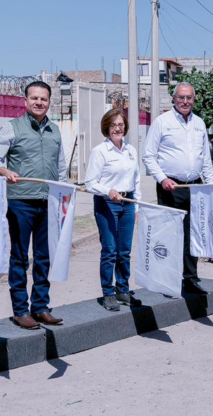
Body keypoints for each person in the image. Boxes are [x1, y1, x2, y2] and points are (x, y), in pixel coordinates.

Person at [0, 81, 67, 330]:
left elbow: (61, 168)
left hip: (49, 202)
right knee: (20, 257)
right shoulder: (11, 128)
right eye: (34, 98)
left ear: (49, 102)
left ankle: (41, 306)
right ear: (25, 101)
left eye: (43, 99)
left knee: (44, 257)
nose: (39, 102)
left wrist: (64, 195)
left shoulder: (55, 130)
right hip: (20, 201)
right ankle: (21, 310)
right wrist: (4, 171)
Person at [142, 82, 213, 295]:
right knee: (170, 236)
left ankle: (190, 279)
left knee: (194, 235)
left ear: (194, 99)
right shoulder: (161, 122)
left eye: (189, 97)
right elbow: (148, 155)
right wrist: (162, 179)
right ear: (174, 98)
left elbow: (206, 158)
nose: (185, 101)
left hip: (195, 187)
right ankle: (167, 280)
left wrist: (210, 187)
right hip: (170, 187)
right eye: (181, 97)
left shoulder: (199, 123)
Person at [85, 108, 142, 312]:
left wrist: (137, 206)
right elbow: (90, 183)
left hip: (128, 202)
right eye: (113, 125)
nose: (118, 128)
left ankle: (123, 289)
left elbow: (136, 180)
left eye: (120, 125)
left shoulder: (131, 150)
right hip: (106, 203)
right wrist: (108, 190)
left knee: (124, 251)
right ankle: (108, 293)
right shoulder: (100, 151)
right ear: (106, 128)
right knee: (109, 250)